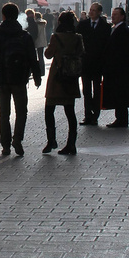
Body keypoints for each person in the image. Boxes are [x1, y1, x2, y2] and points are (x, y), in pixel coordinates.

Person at [0, 2, 42, 156]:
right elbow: (32, 57)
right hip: (20, 78)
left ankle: (5, 145)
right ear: (17, 16)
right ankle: (17, 139)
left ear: (3, 16)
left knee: (4, 113)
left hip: (2, 78)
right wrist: (36, 76)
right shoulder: (24, 35)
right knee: (21, 111)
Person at [42, 11, 84, 155]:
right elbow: (81, 53)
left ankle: (51, 140)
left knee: (49, 110)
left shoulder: (56, 37)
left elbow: (48, 54)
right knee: (70, 112)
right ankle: (71, 143)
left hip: (57, 78)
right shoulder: (77, 37)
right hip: (70, 77)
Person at [100, 6, 129, 127]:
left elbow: (122, 50)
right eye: (113, 14)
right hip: (117, 67)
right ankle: (120, 118)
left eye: (115, 14)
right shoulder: (116, 28)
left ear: (122, 16)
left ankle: (121, 119)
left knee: (120, 93)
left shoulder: (123, 30)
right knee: (118, 93)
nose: (113, 16)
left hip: (119, 68)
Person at [76, 2, 112, 125]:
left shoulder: (106, 27)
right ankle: (87, 114)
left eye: (94, 10)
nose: (91, 12)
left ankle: (95, 114)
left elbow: (107, 46)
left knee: (97, 90)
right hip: (85, 63)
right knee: (86, 90)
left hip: (98, 63)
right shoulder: (83, 24)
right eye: (90, 10)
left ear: (99, 12)